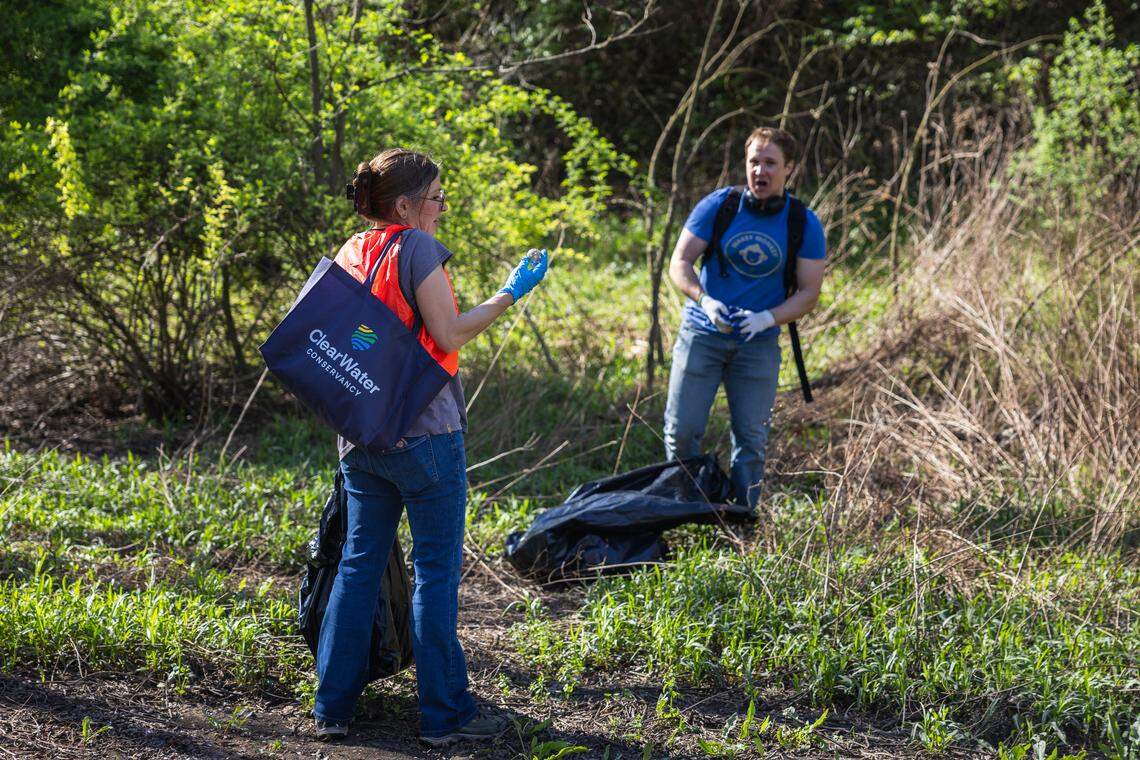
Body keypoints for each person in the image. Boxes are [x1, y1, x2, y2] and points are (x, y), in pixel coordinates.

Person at [313, 148, 548, 746]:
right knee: (436, 573)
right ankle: (446, 717)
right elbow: (448, 333)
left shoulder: (351, 250)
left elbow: (348, 337)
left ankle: (332, 709)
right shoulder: (416, 250)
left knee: (359, 565)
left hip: (363, 437)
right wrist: (510, 293)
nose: (442, 208)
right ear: (405, 205)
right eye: (437, 197)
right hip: (428, 437)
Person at [663, 127, 826, 508]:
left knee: (751, 438)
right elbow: (680, 262)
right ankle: (683, 507)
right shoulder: (719, 207)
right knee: (682, 431)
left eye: (770, 163)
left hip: (758, 344)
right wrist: (704, 301)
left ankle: (742, 516)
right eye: (754, 161)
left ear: (789, 170)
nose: (760, 171)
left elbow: (808, 294)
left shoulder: (802, 223)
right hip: (703, 334)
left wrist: (767, 319)